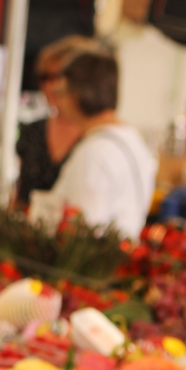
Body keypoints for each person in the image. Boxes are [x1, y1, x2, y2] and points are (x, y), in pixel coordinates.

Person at [47, 52, 157, 239]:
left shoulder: (95, 153)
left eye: (60, 92)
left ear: (78, 94)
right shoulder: (133, 139)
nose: (58, 101)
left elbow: (83, 232)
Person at [16, 35, 111, 206]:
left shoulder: (95, 137)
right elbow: (19, 195)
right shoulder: (32, 131)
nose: (53, 86)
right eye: (46, 77)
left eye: (59, 77)